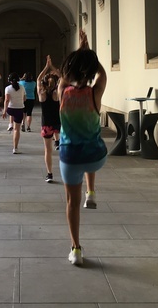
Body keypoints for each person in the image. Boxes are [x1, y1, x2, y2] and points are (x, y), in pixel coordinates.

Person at [58, 29, 107, 266]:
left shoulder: (63, 93)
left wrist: (79, 53)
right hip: (96, 156)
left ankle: (76, 249)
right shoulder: (95, 93)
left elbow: (65, 76)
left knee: (71, 203)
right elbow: (102, 74)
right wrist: (88, 54)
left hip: (70, 158)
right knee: (90, 147)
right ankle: (92, 192)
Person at [37, 55, 61, 183]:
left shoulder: (41, 93)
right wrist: (52, 67)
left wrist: (46, 67)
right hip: (57, 123)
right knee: (61, 146)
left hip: (46, 125)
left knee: (48, 150)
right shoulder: (57, 93)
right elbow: (63, 78)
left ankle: (49, 174)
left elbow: (38, 78)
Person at [2, 72, 26, 154]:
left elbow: (6, 100)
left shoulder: (7, 88)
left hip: (10, 109)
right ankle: (15, 148)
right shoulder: (22, 87)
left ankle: (10, 123)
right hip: (19, 109)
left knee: (11, 114)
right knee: (17, 130)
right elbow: (25, 99)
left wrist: (4, 111)